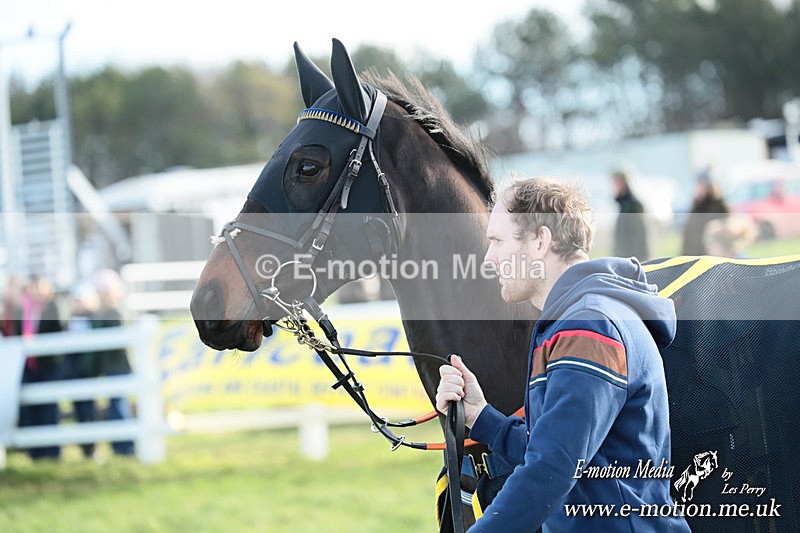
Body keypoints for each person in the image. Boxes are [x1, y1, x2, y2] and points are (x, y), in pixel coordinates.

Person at [436, 177, 689, 531]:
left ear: (540, 241)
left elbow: (552, 468)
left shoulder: (588, 327)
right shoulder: (577, 320)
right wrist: (480, 416)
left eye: (497, 241)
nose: (489, 258)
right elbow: (559, 452)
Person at [17, 276, 64, 460]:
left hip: (48, 365)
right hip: (31, 367)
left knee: (49, 410)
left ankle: (52, 453)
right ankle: (36, 453)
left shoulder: (52, 308)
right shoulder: (26, 310)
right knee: (33, 409)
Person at [92, 269, 135, 456]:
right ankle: (120, 446)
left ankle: (125, 447)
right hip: (113, 368)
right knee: (116, 406)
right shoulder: (106, 313)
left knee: (118, 407)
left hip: (119, 368)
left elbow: (119, 343)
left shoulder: (114, 313)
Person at [64, 282, 101, 460]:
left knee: (89, 411)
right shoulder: (70, 321)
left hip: (87, 372)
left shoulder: (93, 318)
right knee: (79, 411)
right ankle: (85, 450)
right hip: (73, 372)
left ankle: (93, 449)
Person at [681, 167, 730, 255]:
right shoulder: (696, 205)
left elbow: (724, 236)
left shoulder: (719, 206)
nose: (697, 187)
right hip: (692, 257)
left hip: (710, 259)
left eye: (700, 184)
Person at [611, 170, 649, 260]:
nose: (614, 186)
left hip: (633, 259)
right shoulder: (623, 203)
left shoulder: (633, 204)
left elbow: (639, 236)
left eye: (616, 182)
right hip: (624, 257)